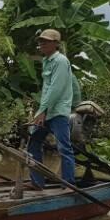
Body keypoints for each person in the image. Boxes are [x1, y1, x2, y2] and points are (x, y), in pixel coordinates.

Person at [27, 29, 77, 188]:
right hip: (46, 112)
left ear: (56, 44)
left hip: (58, 112)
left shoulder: (61, 61)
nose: (41, 44)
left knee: (64, 148)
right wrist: (40, 112)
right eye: (40, 41)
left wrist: (42, 111)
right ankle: (37, 182)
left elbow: (56, 88)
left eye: (46, 41)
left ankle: (68, 184)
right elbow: (47, 89)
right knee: (33, 143)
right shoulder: (46, 61)